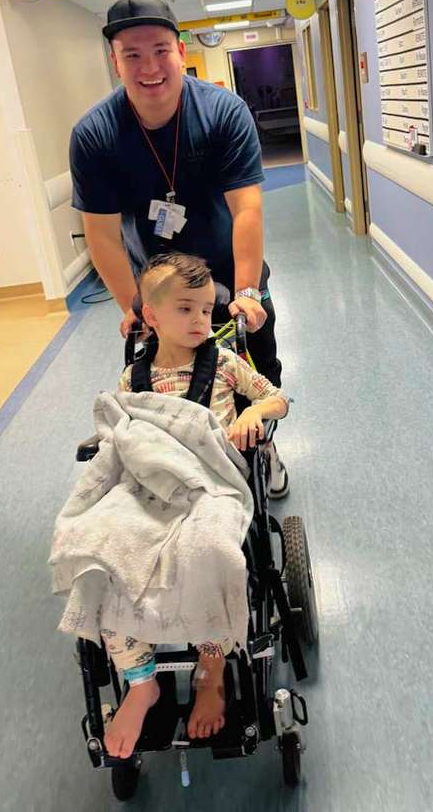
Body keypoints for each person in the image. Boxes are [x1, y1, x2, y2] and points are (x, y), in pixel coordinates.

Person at [70, 0, 290, 496]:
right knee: (170, 378)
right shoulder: (95, 135)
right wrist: (136, 303)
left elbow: (247, 210)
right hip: (162, 286)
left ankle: (262, 445)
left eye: (160, 50)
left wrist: (247, 291)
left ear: (181, 51)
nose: (149, 67)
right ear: (114, 60)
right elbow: (101, 234)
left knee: (255, 365)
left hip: (232, 272)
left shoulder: (222, 113)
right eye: (132, 54)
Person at [99, 252, 291, 758]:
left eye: (207, 310)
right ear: (152, 318)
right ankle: (141, 681)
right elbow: (117, 433)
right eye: (187, 310)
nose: (201, 322)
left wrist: (254, 417)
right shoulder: (133, 380)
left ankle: (212, 666)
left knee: (209, 555)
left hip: (214, 488)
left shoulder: (224, 364)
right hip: (153, 490)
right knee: (103, 558)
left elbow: (277, 398)